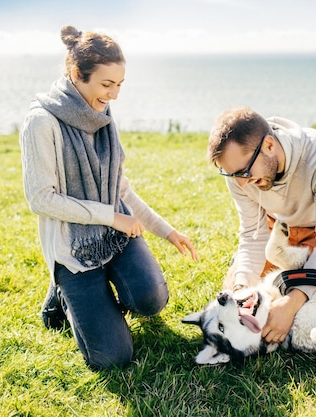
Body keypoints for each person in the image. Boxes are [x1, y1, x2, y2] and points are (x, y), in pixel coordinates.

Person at [19, 25, 198, 369]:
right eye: (106, 84)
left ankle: (96, 292)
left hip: (113, 238)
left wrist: (168, 231)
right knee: (113, 357)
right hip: (73, 248)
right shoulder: (41, 122)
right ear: (76, 74)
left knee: (151, 301)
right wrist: (111, 216)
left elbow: (121, 190)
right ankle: (64, 295)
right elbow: (41, 199)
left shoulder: (102, 113)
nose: (114, 95)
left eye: (119, 85)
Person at [207, 106, 316, 345]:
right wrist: (240, 288)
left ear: (269, 145)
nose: (242, 184)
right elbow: (253, 236)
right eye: (232, 175)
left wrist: (292, 303)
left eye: (244, 172)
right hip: (276, 228)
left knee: (305, 307)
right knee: (248, 295)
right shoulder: (239, 174)